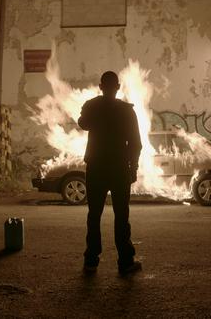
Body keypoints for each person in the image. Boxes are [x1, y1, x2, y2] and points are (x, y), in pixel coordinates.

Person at [78, 71, 143, 275]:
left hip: (96, 167)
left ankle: (91, 261)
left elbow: (82, 124)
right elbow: (136, 144)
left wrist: (92, 106)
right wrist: (134, 168)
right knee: (121, 215)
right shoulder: (126, 111)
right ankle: (125, 261)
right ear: (118, 87)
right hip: (119, 168)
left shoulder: (92, 106)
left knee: (94, 214)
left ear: (100, 86)